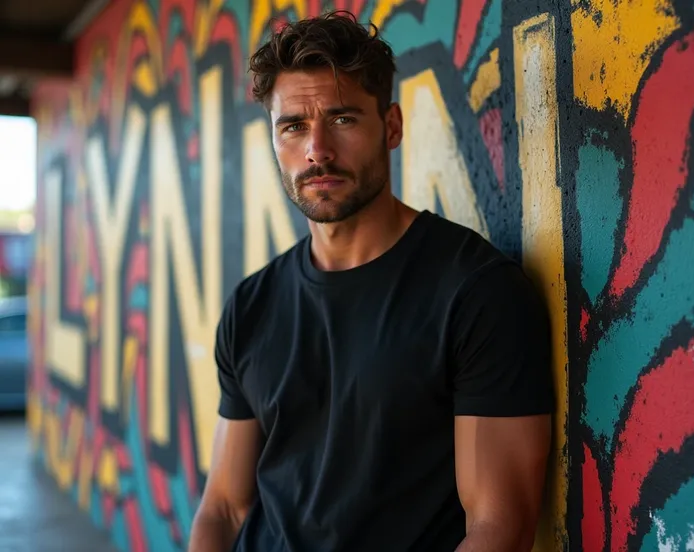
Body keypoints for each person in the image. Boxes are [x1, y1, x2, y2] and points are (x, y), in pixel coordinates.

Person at [188, 10, 554, 552]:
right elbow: (223, 506)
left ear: (392, 126)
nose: (316, 149)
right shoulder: (251, 306)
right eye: (292, 126)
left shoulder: (476, 293)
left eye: (342, 119)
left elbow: (499, 527)